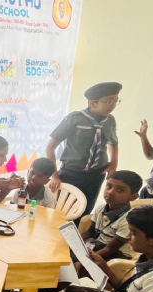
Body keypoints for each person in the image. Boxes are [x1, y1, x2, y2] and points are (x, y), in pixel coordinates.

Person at [46, 82, 122, 217]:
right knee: (62, 211)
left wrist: (114, 162)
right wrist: (54, 176)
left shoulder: (110, 120)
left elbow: (113, 143)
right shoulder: (74, 119)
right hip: (71, 173)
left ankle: (78, 230)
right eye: (108, 101)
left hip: (96, 175)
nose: (112, 105)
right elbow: (50, 147)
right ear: (93, 103)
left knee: (86, 209)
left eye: (116, 101)